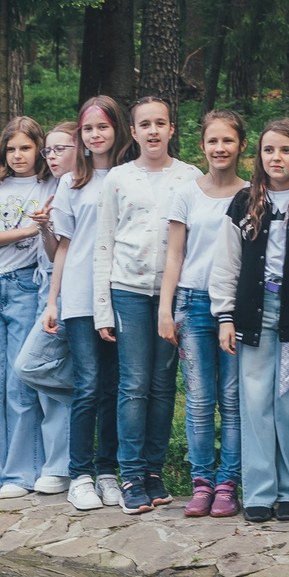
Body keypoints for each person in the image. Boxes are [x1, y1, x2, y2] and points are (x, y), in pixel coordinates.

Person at [92, 95, 203, 514]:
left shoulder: (190, 177)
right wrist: (103, 309)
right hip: (129, 292)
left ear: (172, 128)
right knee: (134, 384)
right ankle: (132, 476)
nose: (153, 131)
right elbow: (104, 243)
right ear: (134, 131)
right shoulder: (118, 179)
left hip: (174, 293)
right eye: (145, 124)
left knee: (162, 384)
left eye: (160, 123)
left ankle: (154, 472)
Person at [211, 117, 289, 524]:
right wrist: (225, 316)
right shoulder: (245, 201)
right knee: (254, 402)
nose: (277, 157)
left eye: (286, 150)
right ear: (258, 155)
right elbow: (227, 262)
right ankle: (258, 491)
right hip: (254, 311)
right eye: (269, 150)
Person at [46, 95, 133, 512]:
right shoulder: (71, 183)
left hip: (124, 292)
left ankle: (108, 471)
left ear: (118, 129)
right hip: (80, 295)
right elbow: (63, 246)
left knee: (115, 386)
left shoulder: (130, 176)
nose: (96, 135)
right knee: (88, 384)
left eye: (103, 127)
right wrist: (52, 301)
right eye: (88, 129)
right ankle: (79, 475)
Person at [162, 110, 248, 518]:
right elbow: (174, 255)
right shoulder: (186, 194)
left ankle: (228, 483)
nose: (220, 148)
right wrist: (166, 309)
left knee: (231, 398)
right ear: (202, 146)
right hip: (193, 303)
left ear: (241, 145)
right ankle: (202, 482)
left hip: (235, 307)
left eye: (228, 140)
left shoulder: (251, 194)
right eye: (213, 141)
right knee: (198, 399)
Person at [0, 117, 57, 499]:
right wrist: (30, 228)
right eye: (11, 148)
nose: (18, 155)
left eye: (26, 147)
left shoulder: (52, 185)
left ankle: (20, 474)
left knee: (19, 383)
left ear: (39, 148)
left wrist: (42, 228)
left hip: (26, 285)